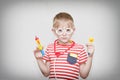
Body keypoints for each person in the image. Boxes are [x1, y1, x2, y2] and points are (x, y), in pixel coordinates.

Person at [34, 12, 95, 80]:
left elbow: (84, 75)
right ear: (54, 31)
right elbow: (46, 73)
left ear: (73, 30)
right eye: (60, 30)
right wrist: (39, 59)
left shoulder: (79, 48)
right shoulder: (50, 48)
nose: (64, 34)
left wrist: (90, 56)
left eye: (68, 30)